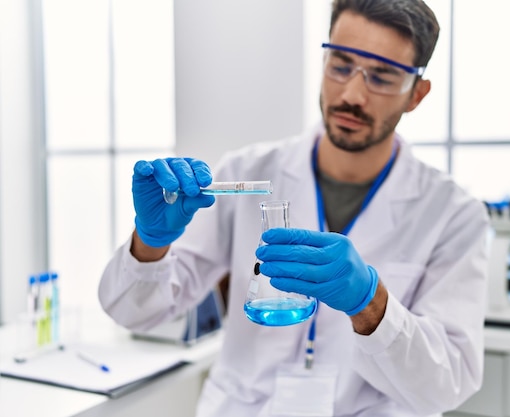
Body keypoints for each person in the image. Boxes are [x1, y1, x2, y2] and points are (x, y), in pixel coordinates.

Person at [98, 0, 489, 416]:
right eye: (340, 65)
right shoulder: (248, 171)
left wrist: (372, 304)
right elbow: (132, 313)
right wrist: (150, 243)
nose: (353, 94)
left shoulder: (454, 215)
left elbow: (448, 384)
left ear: (416, 94)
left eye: (382, 76)